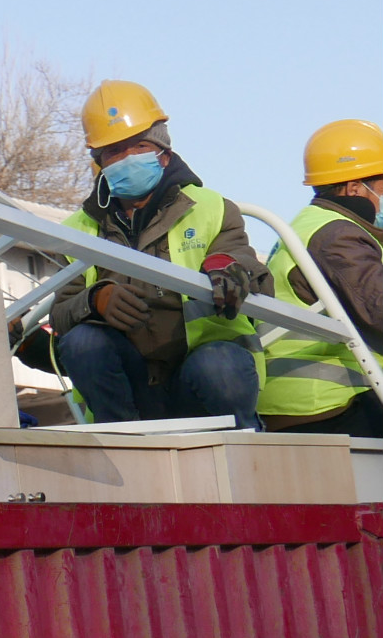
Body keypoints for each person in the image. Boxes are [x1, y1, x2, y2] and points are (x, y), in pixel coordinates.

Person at [47, 80, 266, 430]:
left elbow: (252, 272)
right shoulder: (79, 228)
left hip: (199, 373)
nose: (127, 158)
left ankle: (242, 453)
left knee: (221, 364)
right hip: (129, 386)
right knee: (82, 342)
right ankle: (123, 446)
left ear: (163, 152)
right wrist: (94, 300)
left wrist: (229, 265)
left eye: (139, 145)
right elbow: (59, 314)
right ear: (99, 161)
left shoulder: (212, 209)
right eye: (113, 150)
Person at [257, 120, 383, 437]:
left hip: (321, 399)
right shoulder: (337, 237)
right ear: (355, 188)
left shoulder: (318, 224)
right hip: (325, 402)